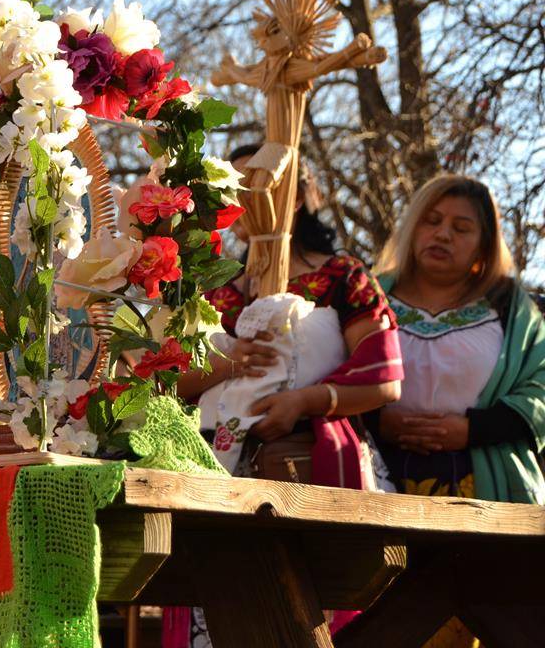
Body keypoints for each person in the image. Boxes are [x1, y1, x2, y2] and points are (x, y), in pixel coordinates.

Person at [163, 144, 402, 646]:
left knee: (320, 614)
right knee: (222, 607)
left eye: (254, 186)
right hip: (216, 466)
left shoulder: (342, 276)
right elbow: (170, 380)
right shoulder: (216, 289)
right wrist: (227, 365)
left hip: (317, 458)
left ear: (292, 197)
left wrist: (304, 401)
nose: (241, 198)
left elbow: (384, 375)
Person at [371, 175, 545, 505]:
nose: (443, 234)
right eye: (431, 221)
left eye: (461, 228)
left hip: (489, 490)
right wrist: (377, 423)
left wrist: (473, 430)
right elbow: (325, 372)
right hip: (371, 480)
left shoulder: (512, 310)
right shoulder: (366, 296)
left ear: (484, 244)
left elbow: (541, 390)